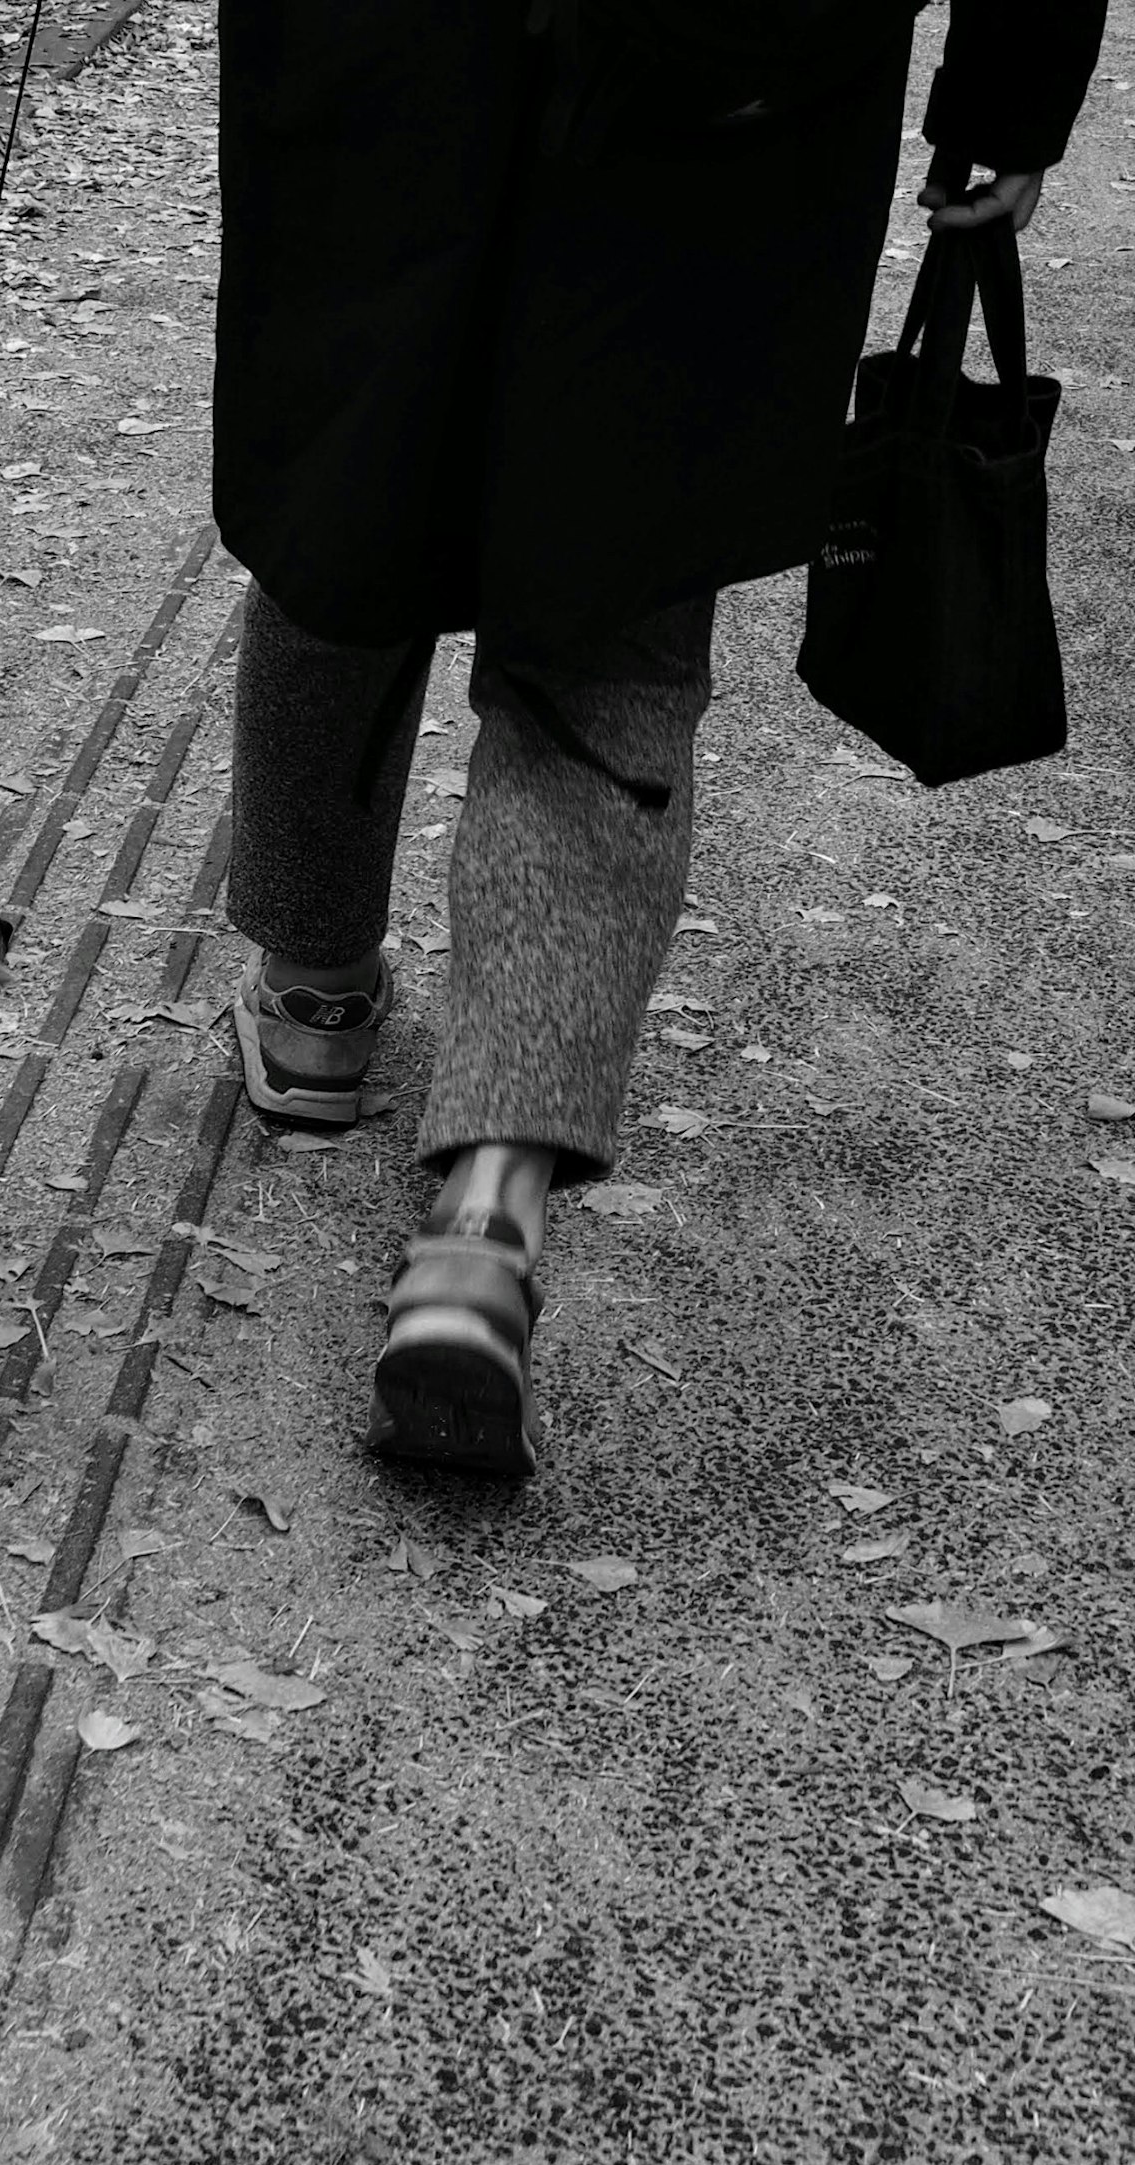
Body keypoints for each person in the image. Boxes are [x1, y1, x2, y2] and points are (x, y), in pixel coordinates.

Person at [209, 0, 1109, 1477]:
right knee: (616, 571)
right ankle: (486, 1216)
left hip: (386, 55)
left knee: (348, 494)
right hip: (732, 84)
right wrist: (1010, 89)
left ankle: (311, 1008)